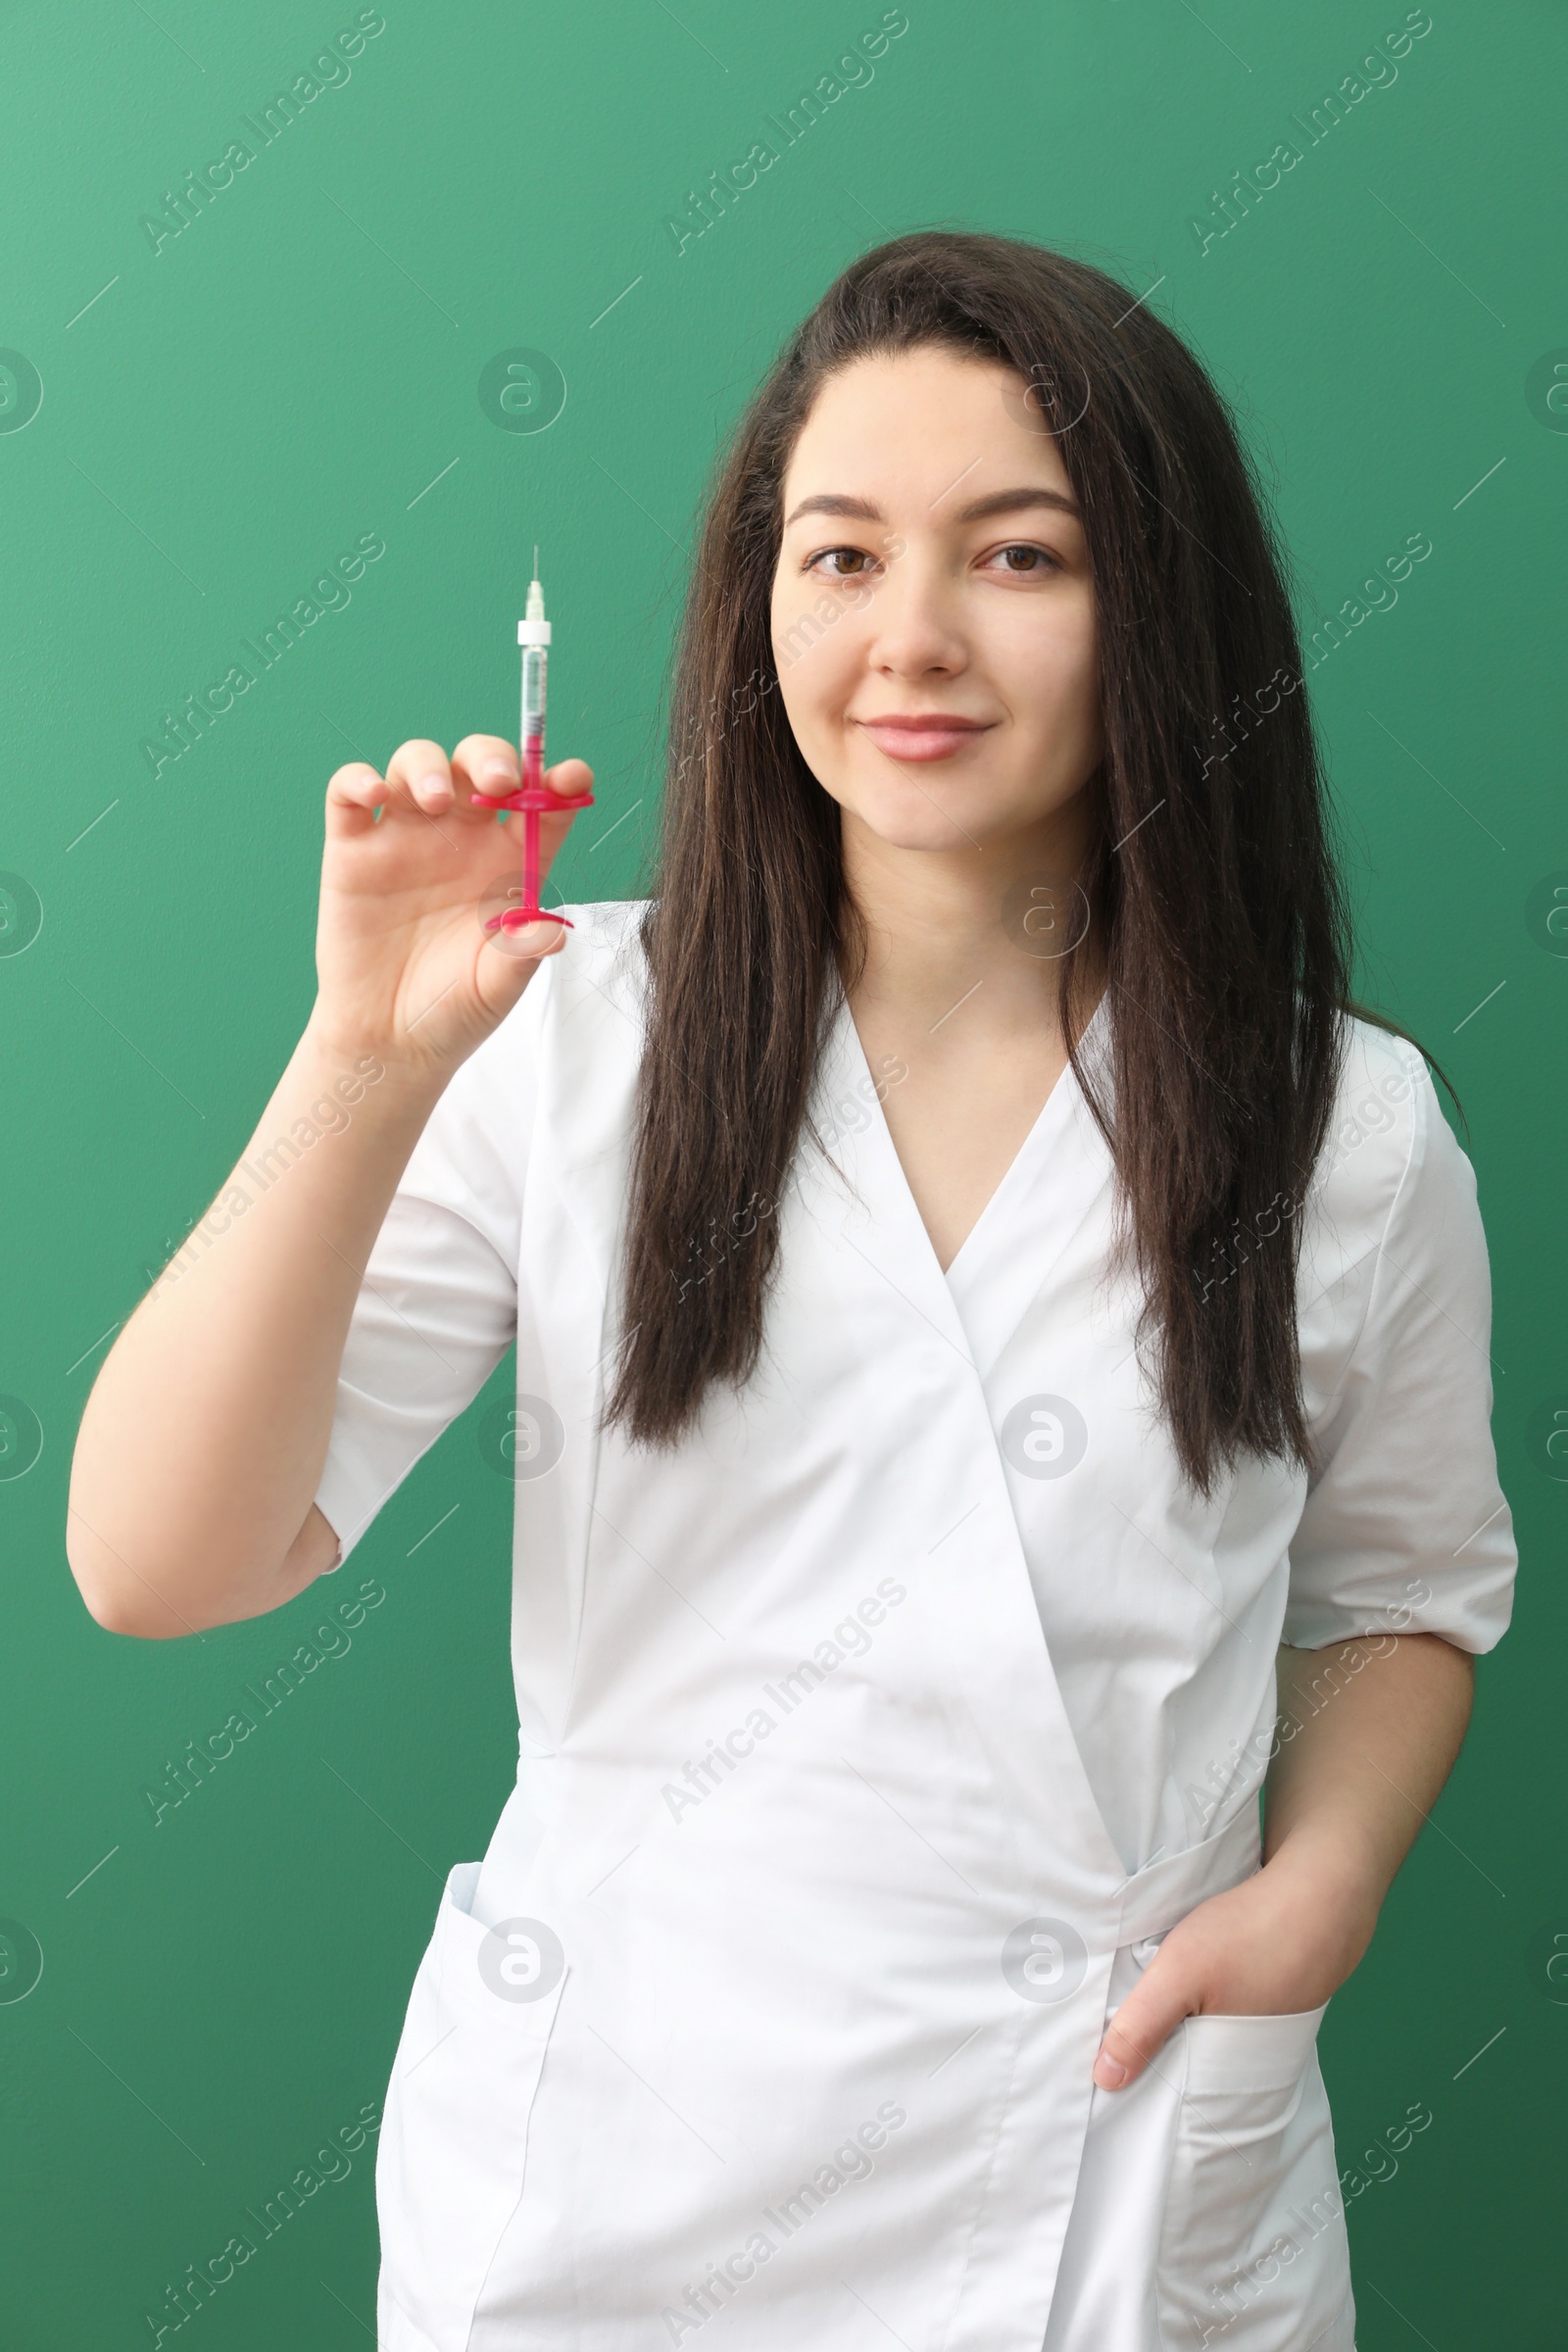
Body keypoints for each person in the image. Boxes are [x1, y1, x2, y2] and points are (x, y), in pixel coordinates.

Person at [68, 230, 1515, 2352]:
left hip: (1099, 2192)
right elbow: (153, 1560)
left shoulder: (1342, 1126)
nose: (907, 639)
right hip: (610, 2205)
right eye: (836, 558)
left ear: (1158, 611)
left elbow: (1400, 1596)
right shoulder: (561, 1038)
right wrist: (362, 1062)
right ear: (758, 610)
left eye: (1016, 558)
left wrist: (1322, 1887)